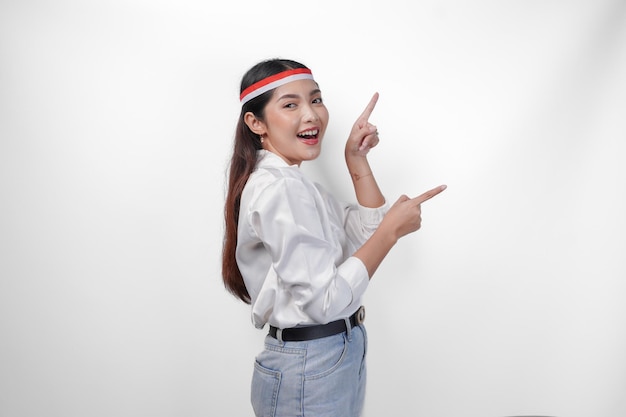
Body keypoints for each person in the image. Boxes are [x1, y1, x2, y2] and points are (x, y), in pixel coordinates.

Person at [222, 58, 446, 417]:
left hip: (329, 356)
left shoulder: (294, 184)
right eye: (290, 104)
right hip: (312, 364)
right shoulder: (280, 189)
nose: (310, 115)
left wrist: (356, 159)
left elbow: (365, 230)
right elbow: (324, 301)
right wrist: (391, 232)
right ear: (256, 122)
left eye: (316, 100)